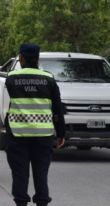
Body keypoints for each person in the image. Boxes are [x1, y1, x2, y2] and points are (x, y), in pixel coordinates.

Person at [5, 43, 65, 206]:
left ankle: (21, 202)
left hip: (18, 135)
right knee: (41, 172)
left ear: (21, 58)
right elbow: (58, 109)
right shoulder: (49, 79)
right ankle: (42, 202)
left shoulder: (11, 78)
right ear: (38, 61)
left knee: (19, 173)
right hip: (43, 135)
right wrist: (61, 134)